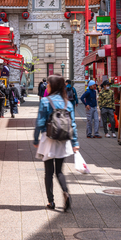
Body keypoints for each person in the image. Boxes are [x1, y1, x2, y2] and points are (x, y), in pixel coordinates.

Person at [33, 75, 79, 211]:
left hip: (49, 139)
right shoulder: (67, 103)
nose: (46, 86)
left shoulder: (46, 101)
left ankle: (51, 202)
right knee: (59, 171)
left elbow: (40, 122)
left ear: (53, 85)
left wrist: (36, 138)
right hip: (63, 140)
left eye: (48, 84)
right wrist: (75, 142)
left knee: (48, 172)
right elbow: (73, 125)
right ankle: (66, 192)